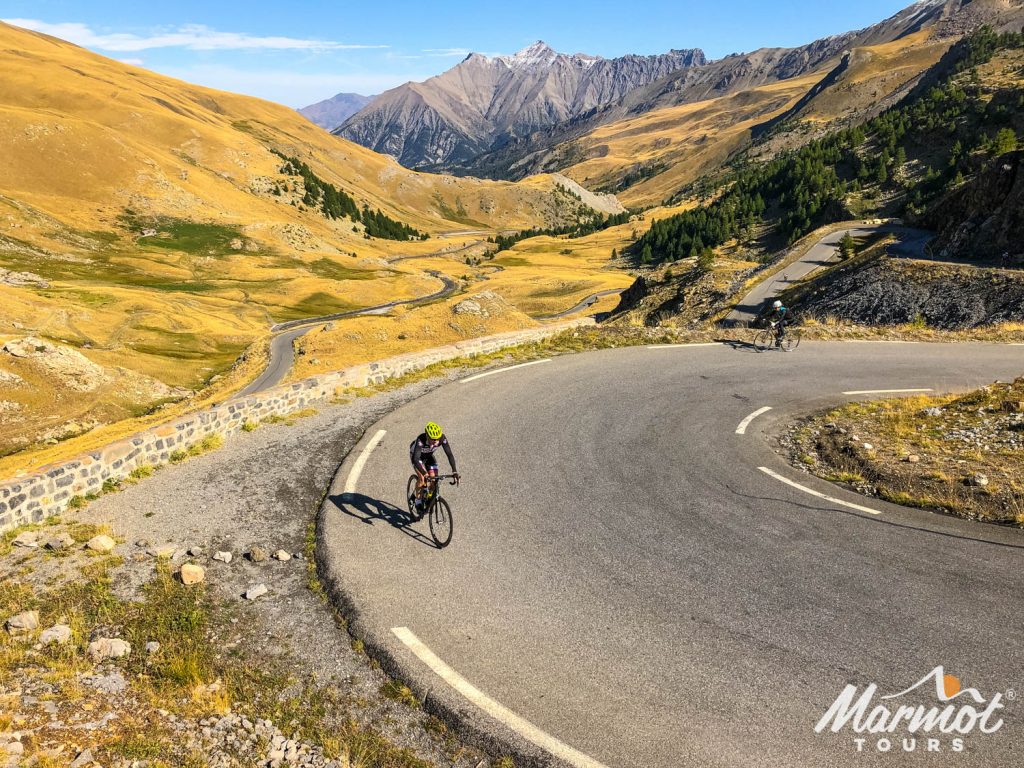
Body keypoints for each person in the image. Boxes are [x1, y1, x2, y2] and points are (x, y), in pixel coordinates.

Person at [409, 422, 459, 513]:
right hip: (417, 457)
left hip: (428, 457)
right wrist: (425, 473)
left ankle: (428, 497)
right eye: (433, 439)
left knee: (434, 480)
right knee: (422, 478)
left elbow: (449, 454)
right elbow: (416, 459)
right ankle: (418, 501)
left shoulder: (442, 438)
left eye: (437, 439)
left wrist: (454, 471)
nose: (436, 441)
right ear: (427, 436)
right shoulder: (421, 439)